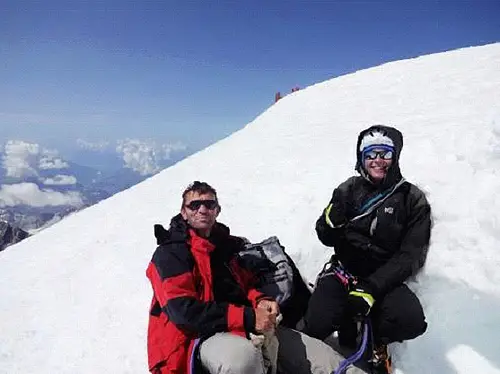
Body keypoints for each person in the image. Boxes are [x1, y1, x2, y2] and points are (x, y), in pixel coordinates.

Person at [146, 181, 359, 374]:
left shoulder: (226, 247)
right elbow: (183, 312)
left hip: (248, 325)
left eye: (209, 204)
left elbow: (245, 284)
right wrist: (248, 317)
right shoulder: (170, 255)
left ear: (217, 210)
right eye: (194, 205)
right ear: (183, 212)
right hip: (198, 339)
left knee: (327, 361)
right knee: (242, 360)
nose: (202, 209)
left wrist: (261, 300)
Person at [301, 125, 431, 374]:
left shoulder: (411, 199)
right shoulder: (348, 190)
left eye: (385, 153)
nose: (378, 161)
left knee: (410, 321)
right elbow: (325, 236)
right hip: (343, 273)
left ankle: (376, 340)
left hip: (383, 279)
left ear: (396, 156)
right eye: (371, 154)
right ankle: (347, 321)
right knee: (317, 324)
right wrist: (330, 223)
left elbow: (410, 256)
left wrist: (371, 288)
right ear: (361, 158)